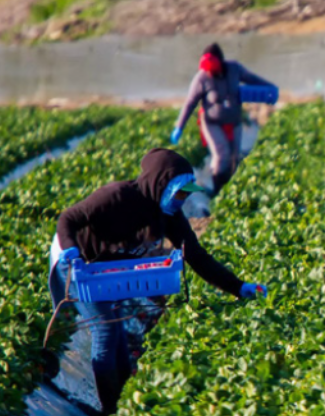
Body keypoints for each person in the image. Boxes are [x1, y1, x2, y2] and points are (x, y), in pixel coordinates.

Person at [48, 148, 267, 415]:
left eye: (187, 193)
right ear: (162, 184)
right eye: (181, 192)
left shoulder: (169, 214)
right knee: (105, 330)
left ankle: (119, 404)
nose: (183, 198)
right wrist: (71, 251)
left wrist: (239, 287)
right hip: (74, 263)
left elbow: (195, 255)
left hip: (105, 268)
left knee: (117, 334)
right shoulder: (117, 196)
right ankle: (108, 410)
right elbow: (68, 218)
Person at [171, 43, 275, 196]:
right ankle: (217, 192)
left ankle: (231, 191)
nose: (211, 73)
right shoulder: (201, 78)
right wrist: (179, 126)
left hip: (234, 121)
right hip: (212, 123)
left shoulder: (234, 69)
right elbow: (190, 103)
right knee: (221, 155)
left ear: (221, 62)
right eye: (208, 70)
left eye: (213, 69)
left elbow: (251, 78)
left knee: (235, 157)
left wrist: (269, 88)